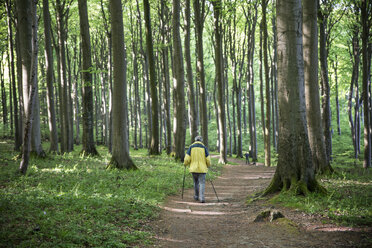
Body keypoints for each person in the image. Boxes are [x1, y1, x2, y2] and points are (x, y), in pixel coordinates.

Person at [184, 136, 211, 203]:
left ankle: (196, 196)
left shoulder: (191, 147)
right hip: (202, 169)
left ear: (195, 140)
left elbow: (187, 158)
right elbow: (208, 159)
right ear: (201, 141)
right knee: (202, 183)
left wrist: (185, 164)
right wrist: (208, 165)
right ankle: (201, 198)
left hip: (194, 168)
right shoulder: (204, 148)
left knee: (195, 182)